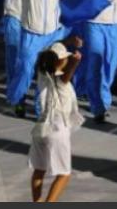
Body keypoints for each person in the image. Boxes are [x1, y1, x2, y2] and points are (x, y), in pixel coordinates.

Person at [29, 41, 84, 203]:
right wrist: (75, 62)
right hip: (57, 129)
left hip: (41, 128)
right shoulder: (61, 80)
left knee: (39, 170)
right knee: (64, 174)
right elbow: (67, 74)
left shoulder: (41, 73)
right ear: (60, 61)